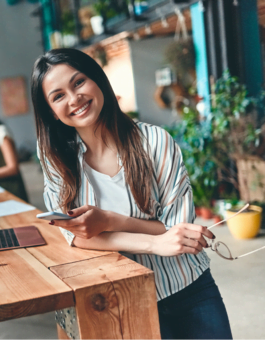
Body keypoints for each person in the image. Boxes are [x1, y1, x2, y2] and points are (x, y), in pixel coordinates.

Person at [31, 48, 232, 340]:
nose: (74, 99)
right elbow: (75, 235)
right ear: (51, 111)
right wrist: (154, 243)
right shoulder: (55, 157)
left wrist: (111, 221)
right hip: (121, 297)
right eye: (58, 95)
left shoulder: (155, 141)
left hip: (187, 289)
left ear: (98, 80)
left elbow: (177, 231)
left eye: (78, 82)